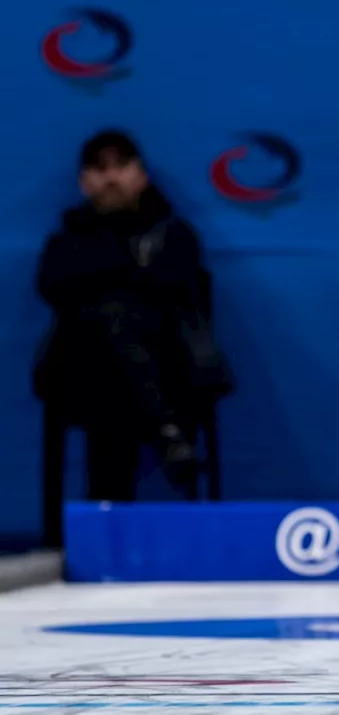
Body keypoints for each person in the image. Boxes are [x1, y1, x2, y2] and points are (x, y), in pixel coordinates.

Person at [33, 129, 233, 502]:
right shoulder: (65, 239)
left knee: (115, 324)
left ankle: (105, 523)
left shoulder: (175, 233)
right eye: (99, 168)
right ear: (84, 182)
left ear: (141, 176)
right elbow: (52, 285)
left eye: (121, 166)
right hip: (86, 374)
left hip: (169, 368)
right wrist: (129, 268)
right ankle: (168, 431)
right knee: (109, 335)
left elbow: (171, 282)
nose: (111, 177)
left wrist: (98, 277)